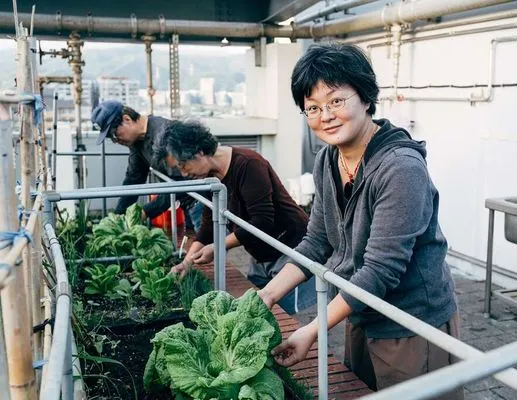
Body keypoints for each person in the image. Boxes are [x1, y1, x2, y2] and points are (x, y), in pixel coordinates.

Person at [256, 43, 463, 398]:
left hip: (410, 322)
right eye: (313, 108)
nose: (326, 116)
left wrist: (311, 330)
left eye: (336, 101)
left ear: (366, 98)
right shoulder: (327, 160)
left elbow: (381, 270)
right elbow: (316, 241)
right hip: (359, 311)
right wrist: (266, 295)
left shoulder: (401, 168)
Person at [163, 120, 317, 315]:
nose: (184, 173)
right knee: (262, 308)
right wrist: (186, 262)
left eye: (184, 165)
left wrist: (219, 246)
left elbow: (262, 221)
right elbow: (209, 223)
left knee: (287, 314)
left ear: (199, 153)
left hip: (287, 245)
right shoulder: (212, 177)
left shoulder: (248, 164)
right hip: (260, 250)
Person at [91, 101, 203, 230]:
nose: (116, 141)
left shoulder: (163, 133)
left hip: (200, 199)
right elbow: (134, 178)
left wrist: (145, 212)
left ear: (127, 119)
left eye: (114, 134)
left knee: (210, 243)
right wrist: (118, 217)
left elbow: (180, 182)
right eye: (111, 138)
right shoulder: (137, 142)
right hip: (186, 201)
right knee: (196, 243)